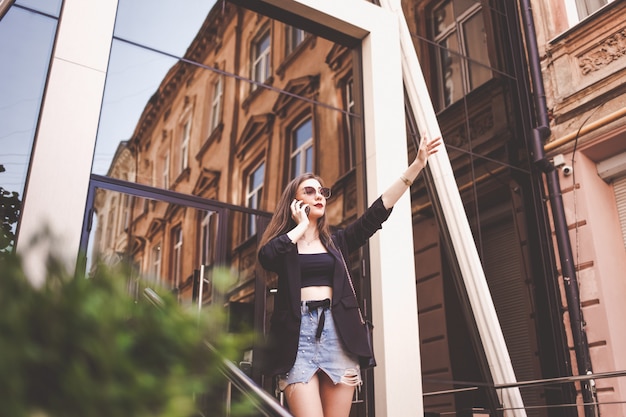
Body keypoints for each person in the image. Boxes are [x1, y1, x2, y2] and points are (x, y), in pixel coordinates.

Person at [257, 136, 441, 417]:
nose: (319, 196)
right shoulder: (285, 247)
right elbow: (266, 257)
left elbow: (377, 213)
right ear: (295, 202)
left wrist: (415, 166)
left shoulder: (338, 242)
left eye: (322, 192)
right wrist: (299, 227)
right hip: (297, 341)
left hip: (337, 335)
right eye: (310, 191)